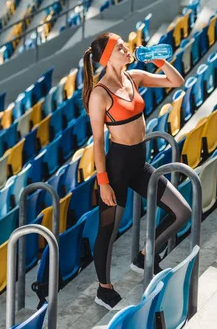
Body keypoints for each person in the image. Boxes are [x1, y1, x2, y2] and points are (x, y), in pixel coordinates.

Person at [82, 32, 192, 311]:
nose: (127, 48)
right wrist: (103, 182)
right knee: (108, 230)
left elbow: (177, 81)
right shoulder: (99, 93)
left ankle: (145, 256)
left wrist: (158, 60)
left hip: (139, 163)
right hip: (116, 168)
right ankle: (103, 289)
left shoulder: (135, 76)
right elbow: (97, 142)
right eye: (120, 47)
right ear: (107, 58)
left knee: (182, 212)